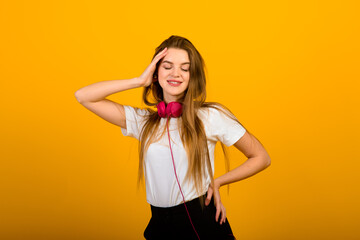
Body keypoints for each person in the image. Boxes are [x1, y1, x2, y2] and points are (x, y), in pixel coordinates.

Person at [75, 35, 271, 240]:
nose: (176, 73)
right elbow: (83, 96)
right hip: (159, 222)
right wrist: (139, 80)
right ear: (155, 72)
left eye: (184, 68)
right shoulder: (143, 122)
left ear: (192, 75)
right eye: (167, 66)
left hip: (199, 222)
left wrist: (218, 182)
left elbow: (261, 157)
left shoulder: (211, 116)